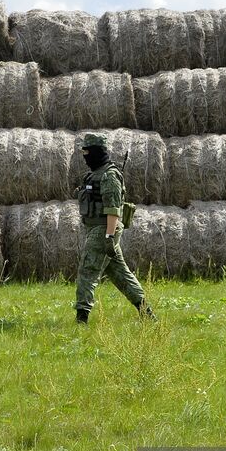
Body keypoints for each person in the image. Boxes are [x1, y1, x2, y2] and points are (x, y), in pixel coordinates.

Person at [74, 133, 155, 324]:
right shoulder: (93, 174)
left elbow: (113, 210)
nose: (84, 155)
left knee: (87, 272)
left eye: (87, 151)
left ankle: (81, 319)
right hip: (100, 231)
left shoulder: (110, 176)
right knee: (121, 275)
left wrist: (109, 236)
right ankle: (147, 314)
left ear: (96, 151)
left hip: (103, 230)